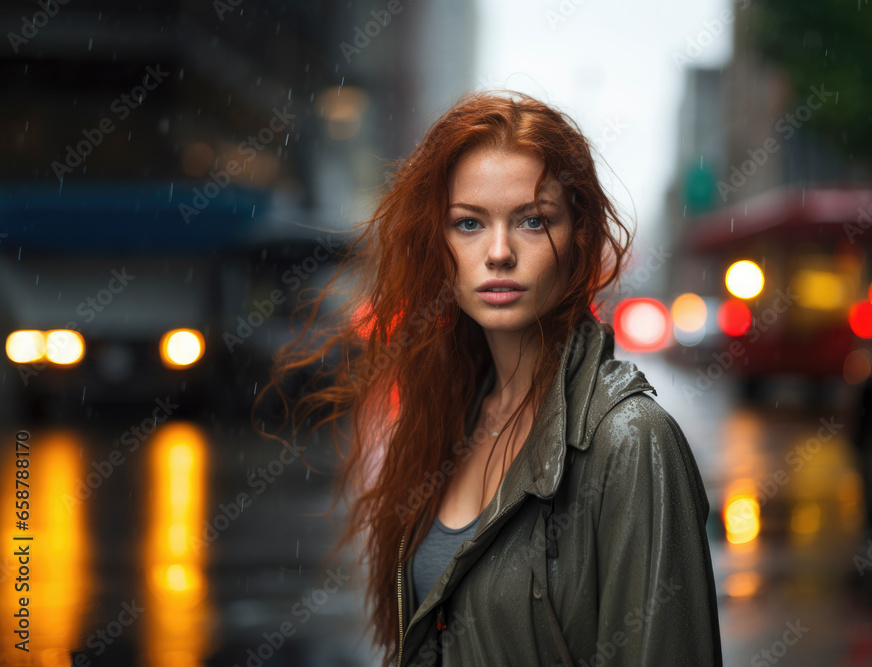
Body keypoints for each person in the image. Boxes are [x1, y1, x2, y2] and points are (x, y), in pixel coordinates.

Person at [256, 90, 722, 666]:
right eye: (469, 223)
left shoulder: (631, 441)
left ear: (579, 239)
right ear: (440, 243)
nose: (498, 253)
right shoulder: (455, 411)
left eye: (532, 221)